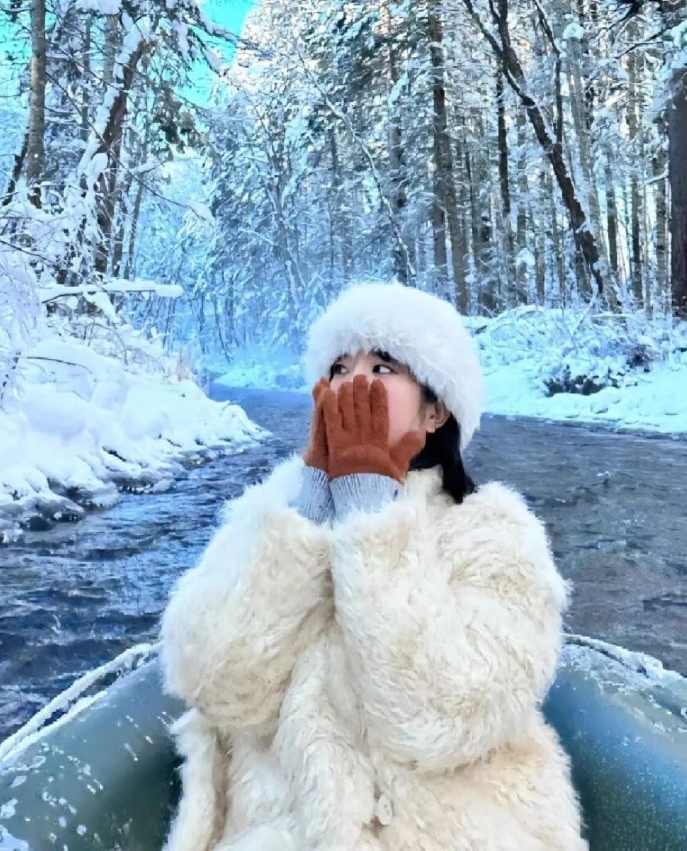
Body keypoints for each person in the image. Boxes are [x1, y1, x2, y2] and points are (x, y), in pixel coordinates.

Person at [158, 280, 587, 851]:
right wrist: (309, 518)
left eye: (383, 368)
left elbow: (441, 717)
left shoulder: (496, 532)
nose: (354, 383)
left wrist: (370, 522)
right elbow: (215, 685)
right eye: (339, 368)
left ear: (434, 410)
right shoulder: (273, 512)